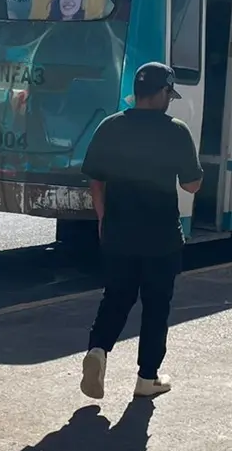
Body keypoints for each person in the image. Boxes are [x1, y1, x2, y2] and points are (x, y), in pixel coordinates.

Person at [79, 62, 203, 400]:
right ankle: (147, 378)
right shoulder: (175, 131)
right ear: (163, 92)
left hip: (118, 233)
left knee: (116, 297)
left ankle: (98, 350)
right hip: (161, 238)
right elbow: (192, 185)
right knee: (156, 306)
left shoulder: (110, 127)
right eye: (169, 94)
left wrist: (104, 220)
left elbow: (96, 181)